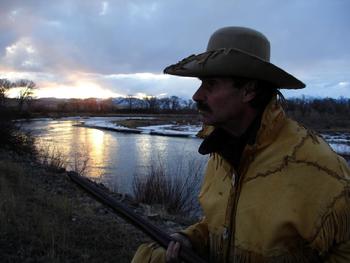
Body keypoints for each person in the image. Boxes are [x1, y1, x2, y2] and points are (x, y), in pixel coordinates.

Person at [132, 26, 350, 262]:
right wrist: (191, 239)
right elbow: (225, 224)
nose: (196, 95)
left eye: (211, 84)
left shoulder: (320, 170)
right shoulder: (221, 151)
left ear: (249, 90)